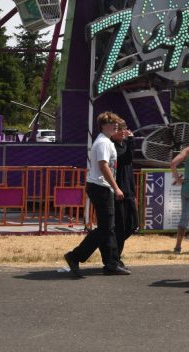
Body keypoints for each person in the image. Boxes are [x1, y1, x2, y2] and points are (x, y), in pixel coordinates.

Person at [64, 111, 129, 278]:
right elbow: (103, 166)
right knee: (106, 228)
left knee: (108, 228)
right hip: (101, 187)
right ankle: (75, 256)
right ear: (102, 126)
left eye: (115, 122)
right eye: (110, 122)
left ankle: (111, 263)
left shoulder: (107, 141)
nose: (114, 124)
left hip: (101, 187)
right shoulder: (103, 143)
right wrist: (116, 188)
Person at [111, 117, 139, 268]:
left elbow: (129, 159)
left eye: (124, 128)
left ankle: (114, 253)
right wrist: (131, 141)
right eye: (119, 129)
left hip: (129, 190)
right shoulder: (113, 146)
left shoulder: (123, 144)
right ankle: (115, 257)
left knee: (132, 224)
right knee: (120, 226)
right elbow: (126, 158)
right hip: (119, 190)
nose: (123, 132)